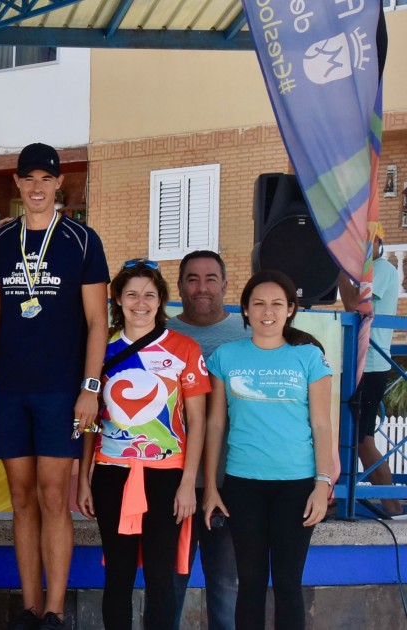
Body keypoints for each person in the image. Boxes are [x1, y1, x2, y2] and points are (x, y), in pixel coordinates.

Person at [0, 142, 109, 630]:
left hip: (62, 390)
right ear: (17, 182)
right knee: (21, 498)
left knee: (54, 496)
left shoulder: (82, 239)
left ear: (59, 184)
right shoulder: (0, 240)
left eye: (46, 179)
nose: (37, 188)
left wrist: (90, 387)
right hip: (12, 390)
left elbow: (98, 322)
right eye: (29, 178)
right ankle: (30, 608)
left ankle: (55, 612)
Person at [76, 259, 208, 630]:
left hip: (167, 477)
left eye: (149, 295)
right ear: (118, 298)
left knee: (160, 576)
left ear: (161, 300)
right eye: (132, 294)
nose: (140, 302)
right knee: (117, 575)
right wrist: (84, 479)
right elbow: (89, 421)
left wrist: (188, 483)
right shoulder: (99, 349)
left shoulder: (184, 348)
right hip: (111, 474)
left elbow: (198, 422)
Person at [202, 270, 333, 630]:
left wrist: (322, 485)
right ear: (245, 309)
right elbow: (215, 425)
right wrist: (211, 487)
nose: (267, 311)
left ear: (290, 309)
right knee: (250, 584)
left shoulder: (309, 357)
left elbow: (323, 425)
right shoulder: (226, 357)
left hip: (297, 485)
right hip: (243, 484)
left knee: (288, 584)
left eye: (277, 303)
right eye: (258, 303)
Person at [165, 250, 245, 630]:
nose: (202, 287)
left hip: (231, 480)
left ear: (225, 285)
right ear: (180, 286)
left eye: (211, 279)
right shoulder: (160, 334)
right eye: (192, 279)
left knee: (226, 584)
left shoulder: (249, 334)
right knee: (169, 582)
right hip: (170, 479)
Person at [338, 221, 403, 517]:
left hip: (372, 365)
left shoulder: (382, 269)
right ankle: (383, 504)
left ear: (378, 243)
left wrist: (341, 270)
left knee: (363, 439)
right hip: (362, 364)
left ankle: (393, 507)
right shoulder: (371, 272)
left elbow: (353, 303)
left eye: (368, 241)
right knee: (356, 438)